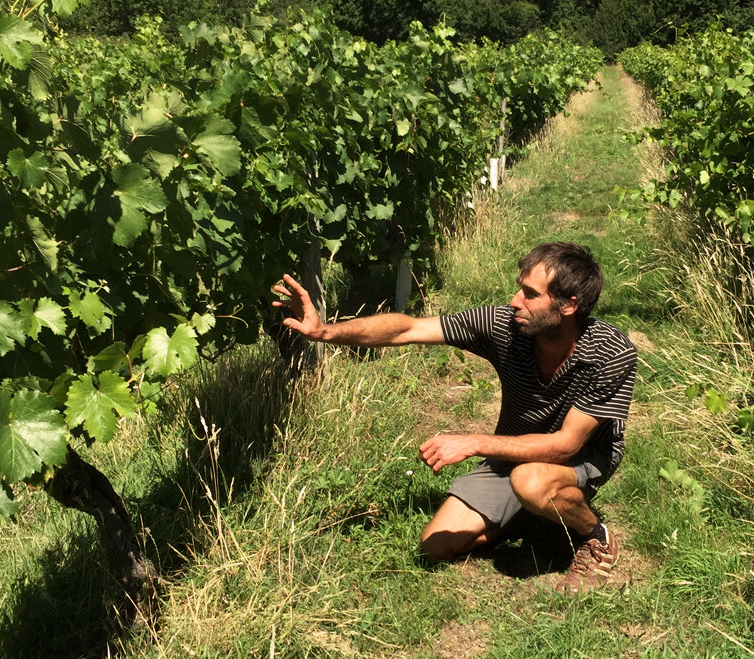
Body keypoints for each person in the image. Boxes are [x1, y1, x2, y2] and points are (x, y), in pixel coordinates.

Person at [272, 241, 637, 593]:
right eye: (518, 289)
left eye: (530, 294)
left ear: (569, 305)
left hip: (582, 458)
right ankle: (532, 513)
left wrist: (473, 442)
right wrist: (326, 332)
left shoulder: (610, 353)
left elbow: (564, 446)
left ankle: (594, 537)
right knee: (436, 545)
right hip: (512, 455)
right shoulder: (504, 327)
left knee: (532, 481)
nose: (515, 302)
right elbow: (409, 328)